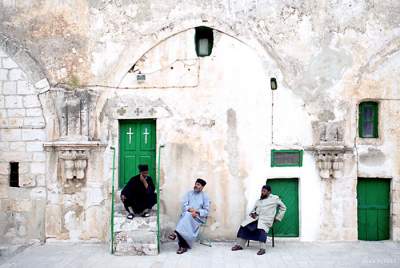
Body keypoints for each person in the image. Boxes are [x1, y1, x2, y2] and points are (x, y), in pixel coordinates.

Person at [231, 184, 286, 255]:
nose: (262, 192)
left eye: (264, 191)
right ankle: (240, 245)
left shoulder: (274, 199)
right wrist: (253, 213)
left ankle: (263, 249)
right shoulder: (259, 201)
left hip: (265, 220)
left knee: (261, 229)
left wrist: (278, 218)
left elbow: (283, 207)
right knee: (244, 226)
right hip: (256, 219)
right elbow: (253, 210)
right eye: (262, 191)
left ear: (269, 192)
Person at [168, 178, 210, 254]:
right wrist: (190, 209)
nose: (196, 186)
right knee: (187, 216)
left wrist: (197, 212)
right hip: (188, 215)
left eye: (198, 184)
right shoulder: (189, 193)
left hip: (197, 217)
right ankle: (182, 246)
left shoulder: (205, 196)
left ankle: (176, 233)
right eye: (195, 184)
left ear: (202, 187)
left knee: (185, 219)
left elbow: (206, 211)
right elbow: (184, 205)